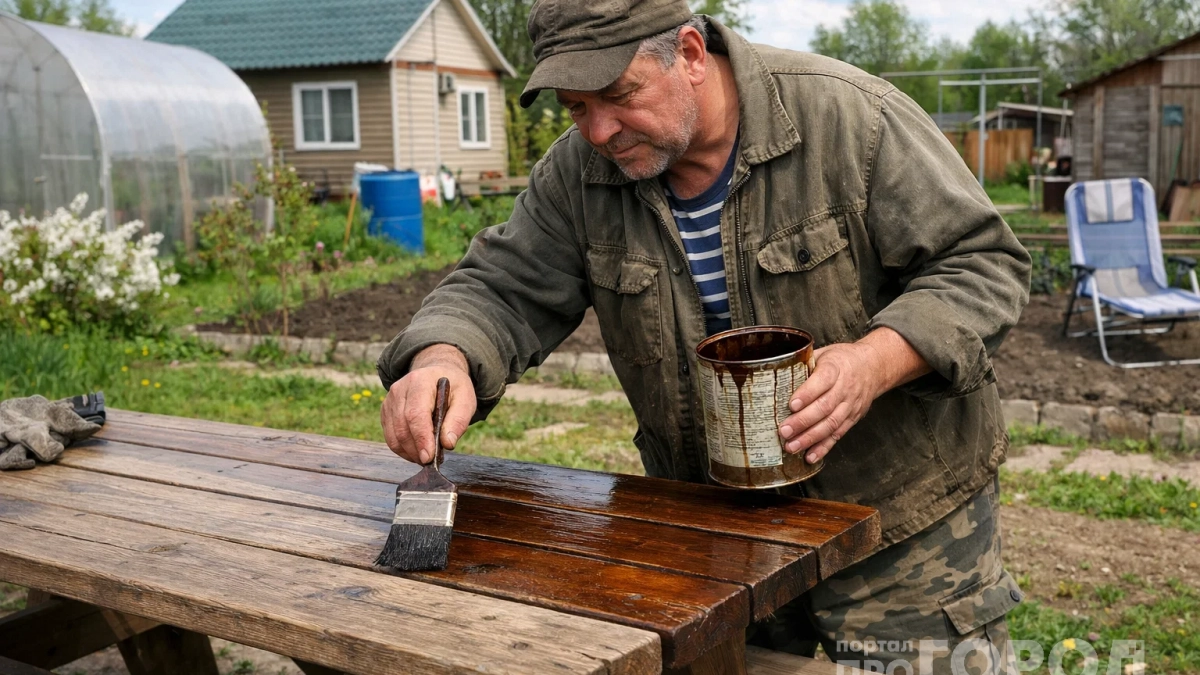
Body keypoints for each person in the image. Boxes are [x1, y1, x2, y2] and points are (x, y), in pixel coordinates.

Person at [377, 0, 1031, 671]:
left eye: (618, 94)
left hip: (901, 523)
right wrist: (440, 356)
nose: (599, 130)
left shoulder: (851, 119)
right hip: (717, 532)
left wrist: (874, 361)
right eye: (576, 106)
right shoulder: (578, 175)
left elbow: (983, 263)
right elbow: (498, 288)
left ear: (690, 53)